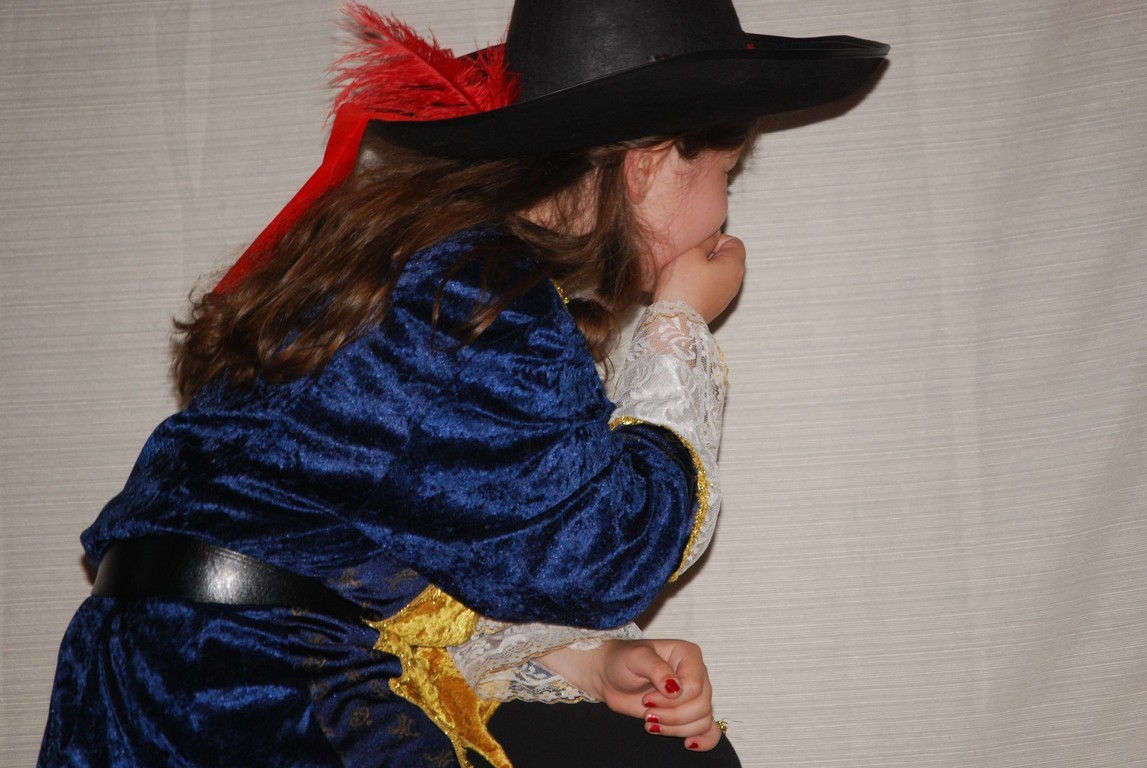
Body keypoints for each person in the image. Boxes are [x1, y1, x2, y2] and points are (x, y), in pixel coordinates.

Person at [37, 1, 887, 766]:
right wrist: (679, 325)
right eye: (723, 177)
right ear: (649, 162)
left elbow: (421, 550)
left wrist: (585, 659)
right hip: (246, 691)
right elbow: (608, 553)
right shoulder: (485, 297)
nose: (723, 212)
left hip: (157, 674)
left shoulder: (434, 268)